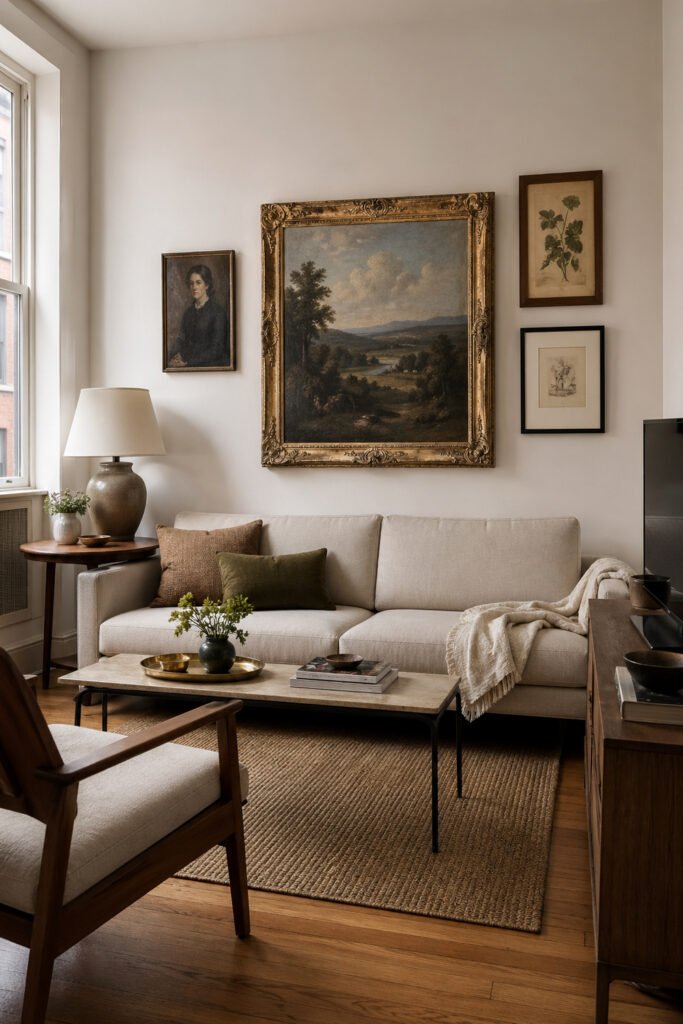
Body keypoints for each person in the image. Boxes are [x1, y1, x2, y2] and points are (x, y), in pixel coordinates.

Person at [170, 264, 229, 368]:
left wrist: (188, 362)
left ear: (207, 285)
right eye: (191, 283)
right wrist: (176, 356)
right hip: (188, 363)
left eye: (198, 283)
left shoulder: (218, 312)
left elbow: (216, 350)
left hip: (212, 365)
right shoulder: (188, 313)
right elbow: (184, 341)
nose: (194, 287)